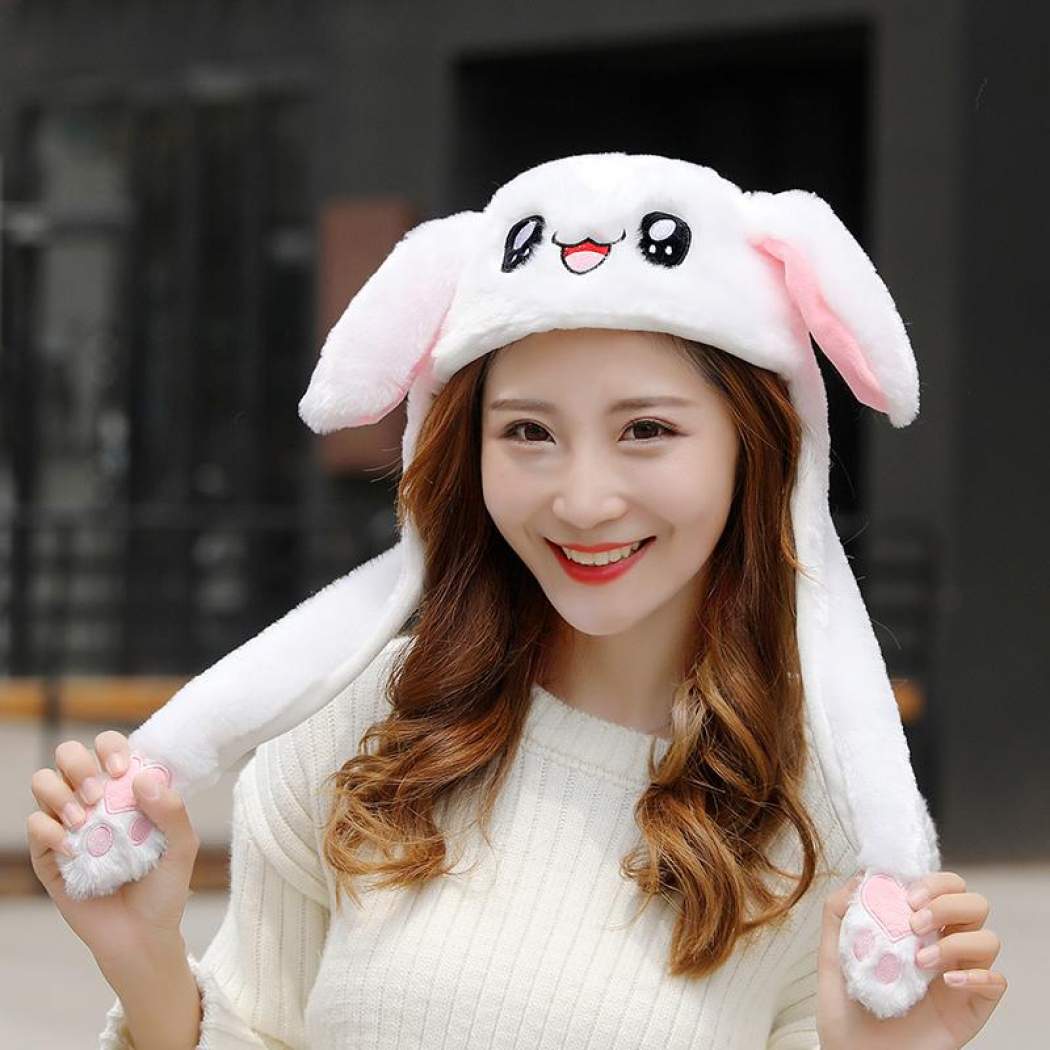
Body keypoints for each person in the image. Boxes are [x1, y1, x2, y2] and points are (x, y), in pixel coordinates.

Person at [28, 325, 1005, 1048]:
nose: (582, 500)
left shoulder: (823, 821)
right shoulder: (359, 724)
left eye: (647, 429)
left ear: (755, 446)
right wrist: (144, 959)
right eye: (529, 430)